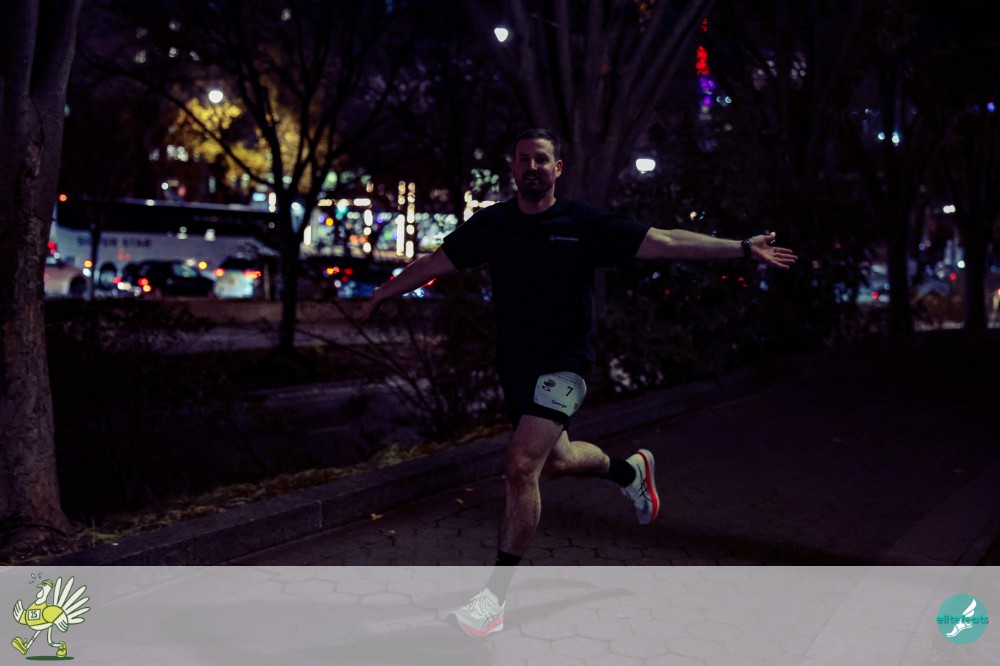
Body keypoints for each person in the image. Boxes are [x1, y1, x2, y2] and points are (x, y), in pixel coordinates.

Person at [358, 128, 798, 637]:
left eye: (541, 159)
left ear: (557, 168)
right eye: (524, 159)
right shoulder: (494, 224)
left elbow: (665, 241)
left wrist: (741, 248)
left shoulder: (583, 224)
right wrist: (383, 293)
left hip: (566, 363)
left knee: (521, 466)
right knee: (559, 462)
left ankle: (493, 601)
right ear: (513, 168)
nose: (532, 167)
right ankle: (630, 472)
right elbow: (435, 262)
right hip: (517, 366)